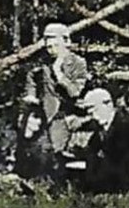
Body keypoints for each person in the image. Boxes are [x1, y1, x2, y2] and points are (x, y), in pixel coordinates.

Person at [65, 88, 129, 193]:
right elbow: (92, 153)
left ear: (107, 105)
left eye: (93, 108)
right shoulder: (99, 132)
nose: (91, 114)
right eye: (88, 111)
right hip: (112, 181)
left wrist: (89, 165)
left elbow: (120, 164)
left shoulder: (126, 129)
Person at [25, 22, 91, 151]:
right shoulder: (44, 62)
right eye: (48, 45)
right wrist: (31, 95)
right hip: (44, 113)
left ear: (65, 42)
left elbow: (74, 92)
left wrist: (58, 73)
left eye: (55, 45)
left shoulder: (78, 63)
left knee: (55, 151)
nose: (51, 49)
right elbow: (31, 76)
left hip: (66, 114)